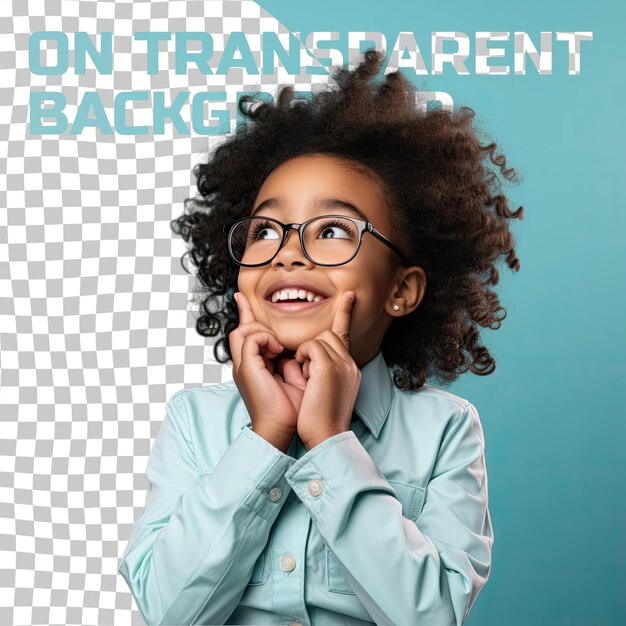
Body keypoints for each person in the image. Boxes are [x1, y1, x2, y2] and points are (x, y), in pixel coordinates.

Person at [118, 48, 523, 626]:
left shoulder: (445, 431)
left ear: (401, 290)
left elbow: (430, 616)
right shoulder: (194, 421)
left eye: (333, 230)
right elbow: (169, 611)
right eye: (265, 230)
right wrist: (265, 438)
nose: (289, 251)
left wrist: (330, 442)